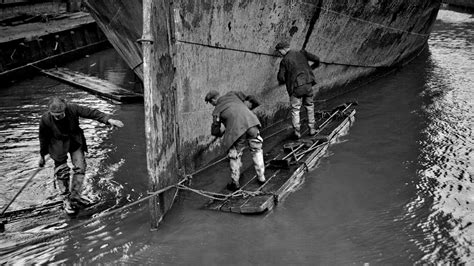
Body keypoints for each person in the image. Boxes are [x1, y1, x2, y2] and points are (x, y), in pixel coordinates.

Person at [38, 97, 124, 214]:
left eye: (60, 115)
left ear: (65, 109)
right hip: (57, 145)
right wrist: (42, 155)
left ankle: (75, 197)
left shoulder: (73, 108)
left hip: (74, 141)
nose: (58, 117)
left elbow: (92, 113)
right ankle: (66, 199)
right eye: (55, 116)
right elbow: (43, 138)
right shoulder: (45, 119)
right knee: (62, 171)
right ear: (50, 113)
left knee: (80, 167)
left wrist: (108, 120)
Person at [205, 90, 266, 191]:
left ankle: (235, 183)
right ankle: (261, 177)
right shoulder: (233, 94)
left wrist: (221, 132)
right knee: (257, 150)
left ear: (214, 99)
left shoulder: (216, 111)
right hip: (251, 123)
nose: (212, 105)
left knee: (235, 155)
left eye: (211, 103)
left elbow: (216, 131)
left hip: (237, 131)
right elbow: (251, 99)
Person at [275, 41, 320, 138]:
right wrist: (310, 68)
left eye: (279, 52)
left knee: (295, 109)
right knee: (310, 106)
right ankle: (312, 129)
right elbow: (317, 59)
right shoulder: (302, 53)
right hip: (308, 85)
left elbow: (281, 77)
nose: (279, 54)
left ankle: (297, 132)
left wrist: (286, 78)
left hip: (296, 88)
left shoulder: (285, 60)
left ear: (283, 49)